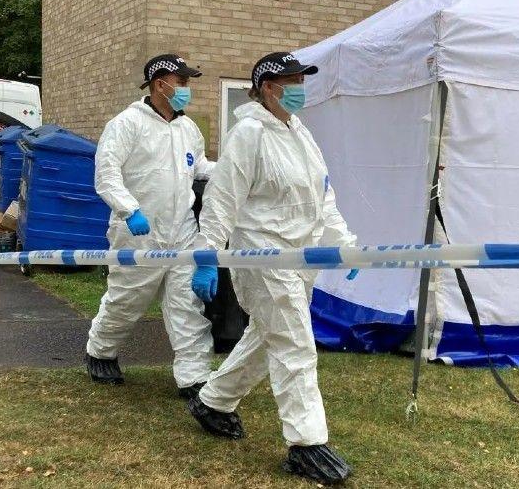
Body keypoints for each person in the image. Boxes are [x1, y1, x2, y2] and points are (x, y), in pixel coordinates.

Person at [187, 52, 359, 485]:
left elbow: (323, 196)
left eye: (302, 78)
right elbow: (222, 199)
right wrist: (207, 255)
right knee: (295, 344)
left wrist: (343, 243)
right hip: (262, 258)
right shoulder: (247, 134)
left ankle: (213, 401)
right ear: (267, 87)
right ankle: (307, 444)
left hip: (299, 259)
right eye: (292, 79)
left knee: (269, 337)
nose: (300, 86)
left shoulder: (299, 132)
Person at [85, 54, 216, 398]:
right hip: (139, 235)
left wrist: (230, 172)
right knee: (126, 301)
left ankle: (194, 377)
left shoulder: (187, 127)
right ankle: (101, 351)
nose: (187, 89)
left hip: (183, 233)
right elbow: (107, 173)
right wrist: (130, 210)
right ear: (161, 84)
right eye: (182, 81)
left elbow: (198, 165)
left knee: (188, 306)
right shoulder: (127, 123)